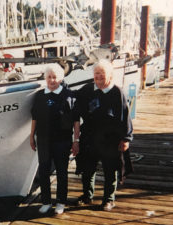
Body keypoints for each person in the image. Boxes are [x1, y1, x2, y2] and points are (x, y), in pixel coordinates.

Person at [72, 59, 133, 211]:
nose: (98, 77)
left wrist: (126, 138)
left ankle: (108, 199)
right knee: (87, 168)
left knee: (110, 169)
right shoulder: (87, 89)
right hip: (90, 136)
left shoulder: (117, 92)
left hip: (110, 139)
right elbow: (72, 97)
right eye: (96, 73)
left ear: (110, 76)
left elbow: (125, 117)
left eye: (102, 74)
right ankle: (87, 195)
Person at [30, 64, 79, 214]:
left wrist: (76, 141)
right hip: (43, 140)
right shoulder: (39, 96)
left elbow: (76, 121)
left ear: (61, 78)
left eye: (55, 77)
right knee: (44, 171)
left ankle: (61, 202)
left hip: (62, 141)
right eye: (49, 77)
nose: (52, 80)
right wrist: (32, 136)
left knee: (61, 172)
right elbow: (35, 118)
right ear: (45, 78)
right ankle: (45, 201)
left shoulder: (69, 95)